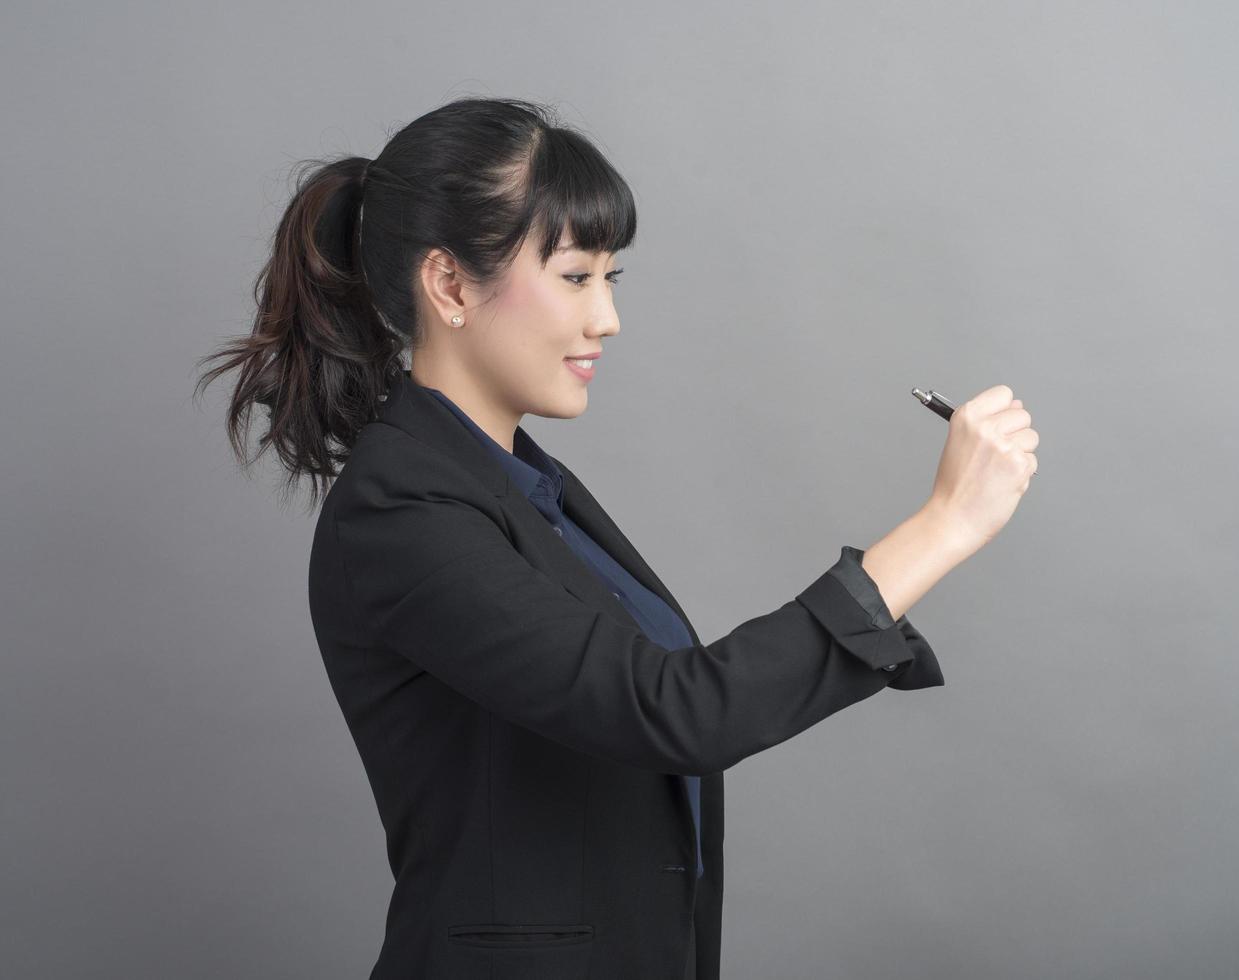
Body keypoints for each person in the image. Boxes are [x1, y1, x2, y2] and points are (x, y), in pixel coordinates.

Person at [195, 96, 1039, 980]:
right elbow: (676, 710)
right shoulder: (399, 513)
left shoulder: (523, 484)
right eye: (574, 278)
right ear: (448, 285)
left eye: (611, 279)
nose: (607, 319)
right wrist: (943, 525)